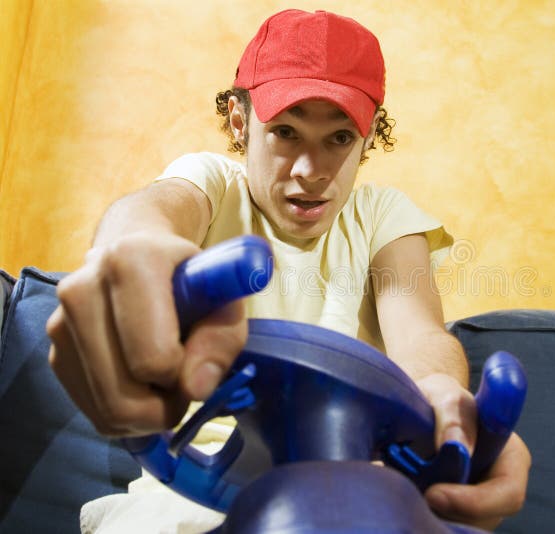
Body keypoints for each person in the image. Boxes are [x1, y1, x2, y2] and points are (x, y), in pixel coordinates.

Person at [46, 8, 530, 532]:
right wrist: (127, 254)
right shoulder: (213, 186)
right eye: (285, 132)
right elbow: (151, 216)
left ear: (368, 137)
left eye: (339, 138)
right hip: (191, 497)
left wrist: (438, 398)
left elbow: (420, 335)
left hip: (352, 496)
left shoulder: (383, 217)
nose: (310, 171)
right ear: (240, 122)